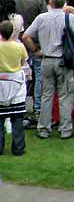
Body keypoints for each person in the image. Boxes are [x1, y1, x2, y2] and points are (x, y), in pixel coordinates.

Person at [22, 0, 74, 140]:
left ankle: (43, 128)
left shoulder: (42, 18)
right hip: (63, 61)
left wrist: (36, 50)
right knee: (65, 95)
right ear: (64, 2)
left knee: (47, 95)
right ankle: (66, 129)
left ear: (50, 2)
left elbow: (26, 36)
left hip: (46, 60)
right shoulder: (70, 18)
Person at [0, 20, 28, 156]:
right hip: (16, 82)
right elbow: (23, 62)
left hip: (1, 82)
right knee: (17, 119)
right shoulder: (19, 47)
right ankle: (18, 148)